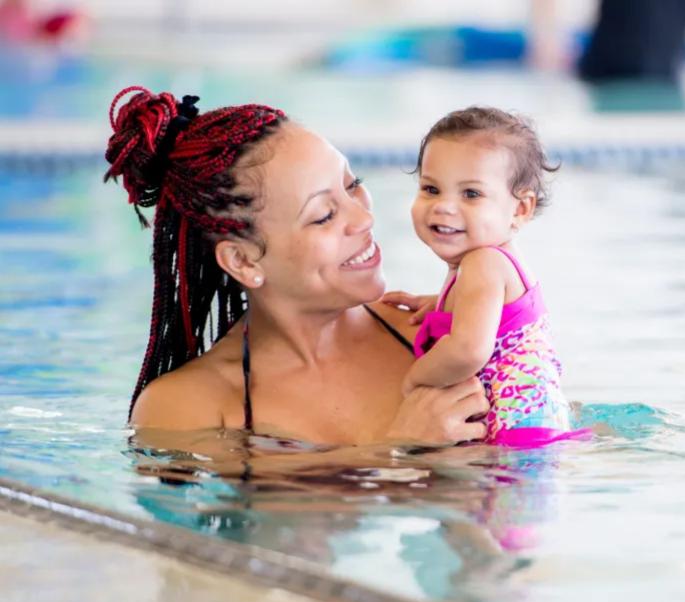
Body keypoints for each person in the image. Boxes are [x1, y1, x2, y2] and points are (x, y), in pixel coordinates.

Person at [104, 86, 489, 448]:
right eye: (323, 215)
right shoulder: (189, 408)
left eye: (353, 184)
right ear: (243, 260)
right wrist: (402, 448)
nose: (364, 218)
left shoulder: (444, 336)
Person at [384, 107, 585, 448]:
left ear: (520, 209)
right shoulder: (491, 265)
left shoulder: (483, 263)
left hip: (515, 440)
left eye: (471, 194)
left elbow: (468, 351)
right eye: (431, 189)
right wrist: (441, 304)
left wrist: (413, 383)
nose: (444, 206)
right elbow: (496, 316)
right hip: (534, 427)